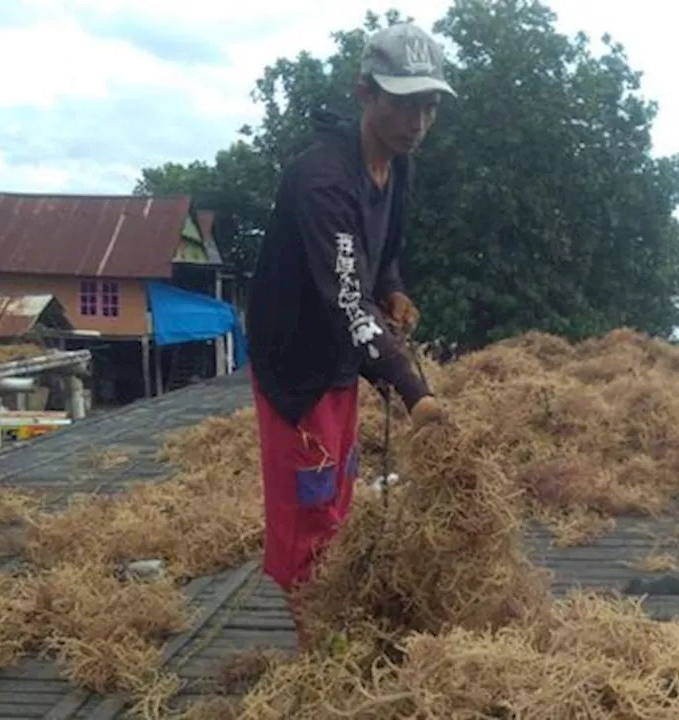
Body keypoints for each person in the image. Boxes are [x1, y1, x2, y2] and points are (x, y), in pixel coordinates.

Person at [244, 21, 454, 650]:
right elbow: (343, 300)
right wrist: (415, 393)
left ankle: (331, 614)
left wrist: (392, 286)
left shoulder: (396, 164)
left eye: (429, 105)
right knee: (305, 501)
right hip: (296, 364)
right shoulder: (322, 181)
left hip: (343, 356)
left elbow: (379, 253)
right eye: (403, 103)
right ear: (366, 93)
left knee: (337, 490)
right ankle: (315, 647)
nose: (416, 121)